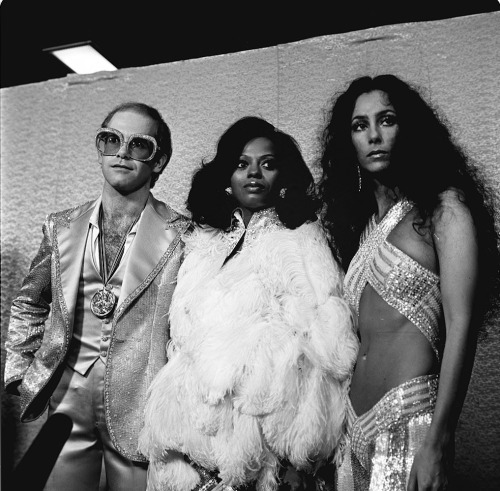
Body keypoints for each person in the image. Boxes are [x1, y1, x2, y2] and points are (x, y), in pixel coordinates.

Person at [138, 116, 359, 491]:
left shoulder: (300, 242)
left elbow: (325, 352)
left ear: (284, 178)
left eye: (268, 164)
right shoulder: (202, 245)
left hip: (263, 454)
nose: (254, 173)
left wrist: (297, 454)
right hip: (189, 450)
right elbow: (182, 344)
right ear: (226, 177)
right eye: (241, 164)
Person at [317, 74, 499, 490]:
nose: (374, 135)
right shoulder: (361, 228)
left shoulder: (444, 208)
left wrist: (439, 439)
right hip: (351, 431)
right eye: (359, 126)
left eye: (387, 120)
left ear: (409, 129)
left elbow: (462, 327)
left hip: (409, 423)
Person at [4, 102, 190, 491]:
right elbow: (29, 302)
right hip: (67, 400)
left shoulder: (182, 236)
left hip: (139, 406)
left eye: (139, 145)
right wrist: (20, 371)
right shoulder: (60, 227)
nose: (121, 153)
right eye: (110, 140)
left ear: (159, 161)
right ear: (99, 148)